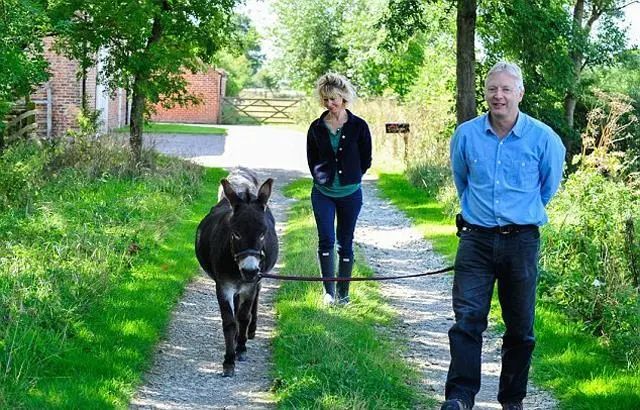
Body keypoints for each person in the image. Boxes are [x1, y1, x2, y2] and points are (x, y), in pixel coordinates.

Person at [442, 61, 566, 410]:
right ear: (485, 93)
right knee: (467, 321)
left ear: (520, 94)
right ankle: (460, 397)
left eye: (506, 89)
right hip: (475, 240)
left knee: (520, 328)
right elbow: (462, 180)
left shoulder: (544, 139)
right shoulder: (465, 134)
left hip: (521, 242)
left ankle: (512, 400)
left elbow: (547, 188)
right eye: (492, 89)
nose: (498, 96)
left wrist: (517, 217)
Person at [306, 72, 372, 305]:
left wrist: (351, 177)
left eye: (333, 99)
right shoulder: (316, 127)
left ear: (344, 98)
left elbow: (366, 159)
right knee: (326, 239)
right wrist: (323, 177)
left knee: (346, 242)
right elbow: (311, 158)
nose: (329, 103)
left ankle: (344, 295)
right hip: (323, 193)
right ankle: (329, 293)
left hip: (350, 194)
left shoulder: (359, 126)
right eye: (325, 100)